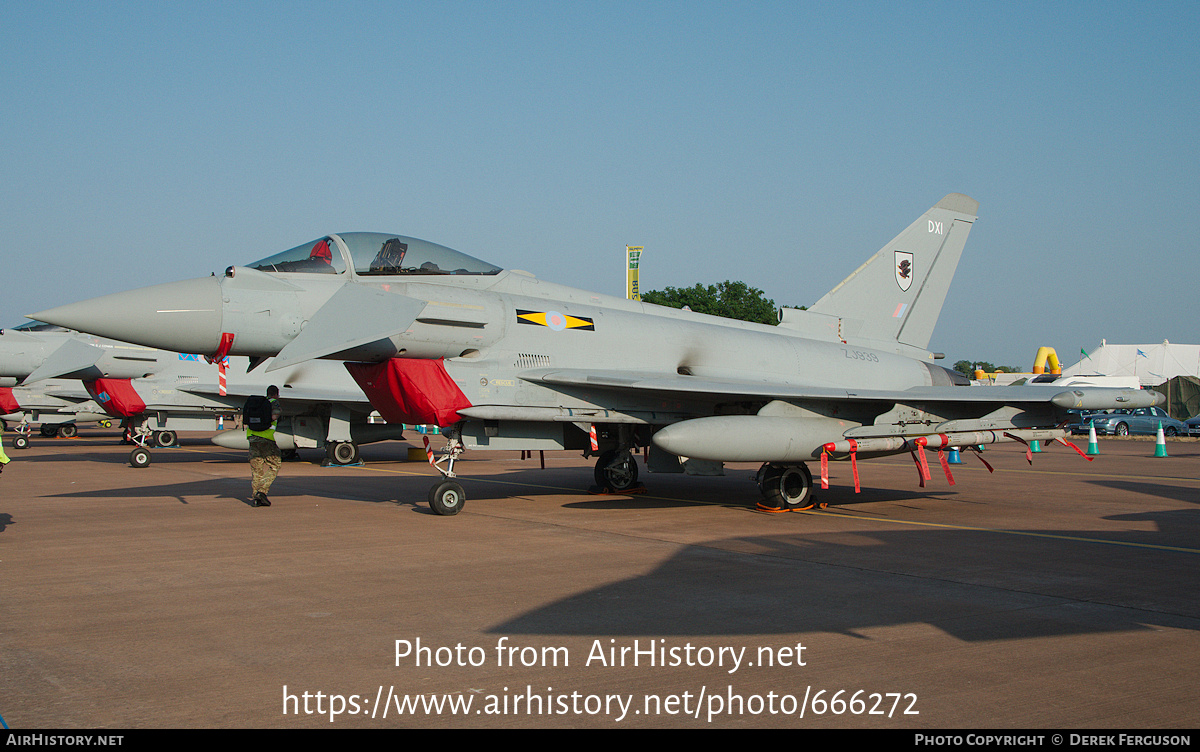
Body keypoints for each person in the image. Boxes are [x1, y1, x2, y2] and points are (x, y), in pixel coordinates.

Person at [245, 385, 282, 507]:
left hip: (252, 438)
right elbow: (274, 416)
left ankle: (256, 498)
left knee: (257, 469)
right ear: (276, 394)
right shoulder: (273, 403)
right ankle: (262, 492)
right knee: (275, 465)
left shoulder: (257, 403)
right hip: (266, 438)